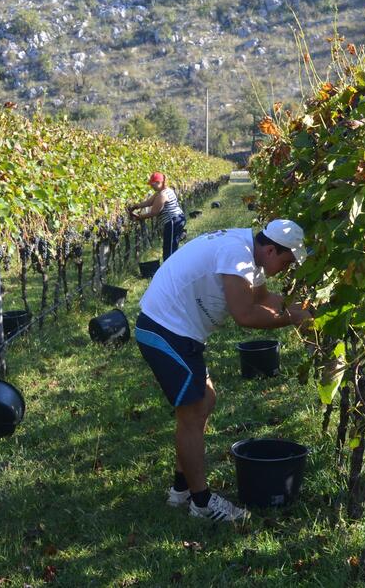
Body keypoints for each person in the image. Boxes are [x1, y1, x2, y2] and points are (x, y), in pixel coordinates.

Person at [135, 219, 312, 522]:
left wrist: (303, 307)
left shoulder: (249, 253)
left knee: (206, 400)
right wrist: (293, 319)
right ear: (271, 250)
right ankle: (202, 503)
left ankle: (181, 489)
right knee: (192, 413)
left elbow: (263, 299)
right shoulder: (236, 254)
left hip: (179, 330)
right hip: (165, 329)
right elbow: (245, 315)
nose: (287, 268)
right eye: (287, 261)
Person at [126, 172, 186, 262]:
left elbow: (154, 212)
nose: (151, 186)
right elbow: (149, 202)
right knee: (171, 245)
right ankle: (173, 264)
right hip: (177, 219)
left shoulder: (162, 195)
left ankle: (169, 266)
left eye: (152, 184)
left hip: (173, 221)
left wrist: (139, 217)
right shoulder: (162, 191)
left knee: (169, 249)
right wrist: (136, 206)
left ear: (159, 182)